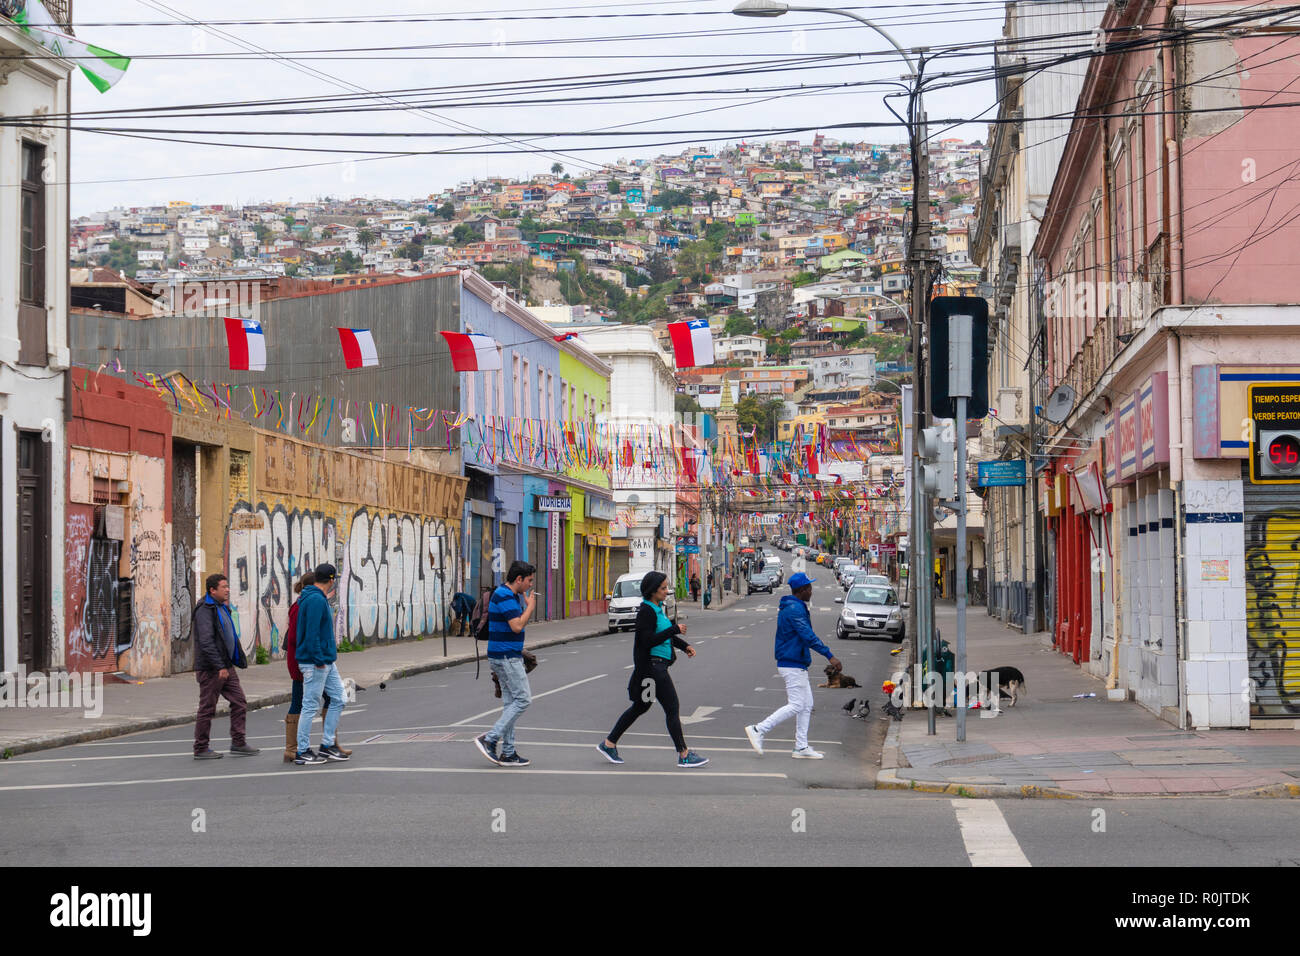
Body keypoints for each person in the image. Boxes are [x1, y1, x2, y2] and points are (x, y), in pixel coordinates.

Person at [597, 570, 708, 768]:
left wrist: (684, 646)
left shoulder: (657, 608)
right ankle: (684, 754)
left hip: (655, 667)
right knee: (672, 708)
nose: (667, 591)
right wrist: (674, 629)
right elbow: (647, 640)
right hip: (653, 668)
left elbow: (663, 636)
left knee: (641, 706)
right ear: (652, 590)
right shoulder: (646, 611)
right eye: (663, 588)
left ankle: (609, 743)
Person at [745, 571, 842, 759]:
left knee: (806, 705)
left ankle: (801, 746)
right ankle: (759, 729)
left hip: (795, 661)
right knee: (797, 704)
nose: (812, 591)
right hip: (792, 662)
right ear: (802, 590)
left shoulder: (795, 606)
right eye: (809, 588)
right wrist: (830, 656)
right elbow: (808, 636)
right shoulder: (795, 609)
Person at [473, 561, 537, 767]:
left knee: (511, 703)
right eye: (529, 581)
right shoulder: (505, 595)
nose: (530, 585)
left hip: (504, 654)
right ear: (519, 579)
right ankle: (490, 739)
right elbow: (517, 626)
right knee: (523, 699)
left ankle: (508, 752)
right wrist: (530, 608)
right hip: (506, 657)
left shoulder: (507, 594)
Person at [192, 573, 260, 759]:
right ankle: (200, 748)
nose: (228, 589)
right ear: (213, 590)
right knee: (207, 707)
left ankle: (238, 742)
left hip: (226, 665)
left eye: (227, 586)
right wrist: (219, 666)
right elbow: (206, 642)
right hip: (212, 668)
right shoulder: (205, 610)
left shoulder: (221, 607)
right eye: (223, 586)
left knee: (239, 702)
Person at [294, 563, 350, 765]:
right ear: (332, 580)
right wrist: (318, 659)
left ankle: (327, 746)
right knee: (310, 706)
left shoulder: (314, 597)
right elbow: (312, 633)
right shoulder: (316, 600)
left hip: (325, 660)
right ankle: (302, 751)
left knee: (339, 697)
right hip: (316, 661)